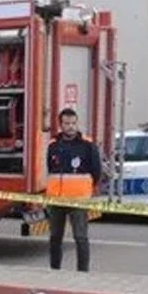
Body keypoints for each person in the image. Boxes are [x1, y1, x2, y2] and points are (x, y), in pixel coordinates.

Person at [46, 108, 102, 272]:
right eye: (66, 123)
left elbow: (96, 172)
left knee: (80, 237)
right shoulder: (53, 145)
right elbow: (51, 169)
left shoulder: (87, 145)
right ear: (60, 125)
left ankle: (82, 272)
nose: (70, 127)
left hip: (78, 200)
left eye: (73, 123)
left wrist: (85, 190)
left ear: (76, 123)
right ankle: (54, 269)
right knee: (55, 237)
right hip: (56, 200)